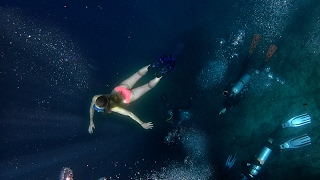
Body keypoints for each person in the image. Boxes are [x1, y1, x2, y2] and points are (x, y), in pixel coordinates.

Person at [88, 55, 176, 134]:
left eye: (98, 109)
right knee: (138, 74)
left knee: (149, 86)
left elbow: (130, 114)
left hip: (128, 98)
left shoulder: (114, 108)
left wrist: (142, 123)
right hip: (120, 89)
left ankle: (159, 75)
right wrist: (91, 121)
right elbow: (92, 106)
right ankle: (152, 65)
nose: (96, 110)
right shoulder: (96, 97)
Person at [240, 113, 311, 179]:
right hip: (266, 159)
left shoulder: (244, 172)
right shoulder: (254, 177)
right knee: (279, 146)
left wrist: (252, 163)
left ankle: (282, 126)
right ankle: (283, 135)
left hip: (260, 155)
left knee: (270, 140)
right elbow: (265, 175)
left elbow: (244, 163)